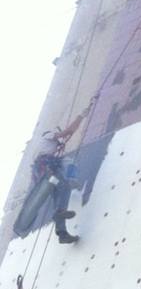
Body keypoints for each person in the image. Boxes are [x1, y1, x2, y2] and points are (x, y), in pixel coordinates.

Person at [31, 99, 94, 244]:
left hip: (43, 175)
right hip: (46, 169)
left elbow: (67, 135)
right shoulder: (47, 136)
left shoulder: (47, 149)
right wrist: (81, 116)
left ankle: (62, 233)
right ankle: (72, 182)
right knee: (66, 180)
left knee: (59, 198)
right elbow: (68, 131)